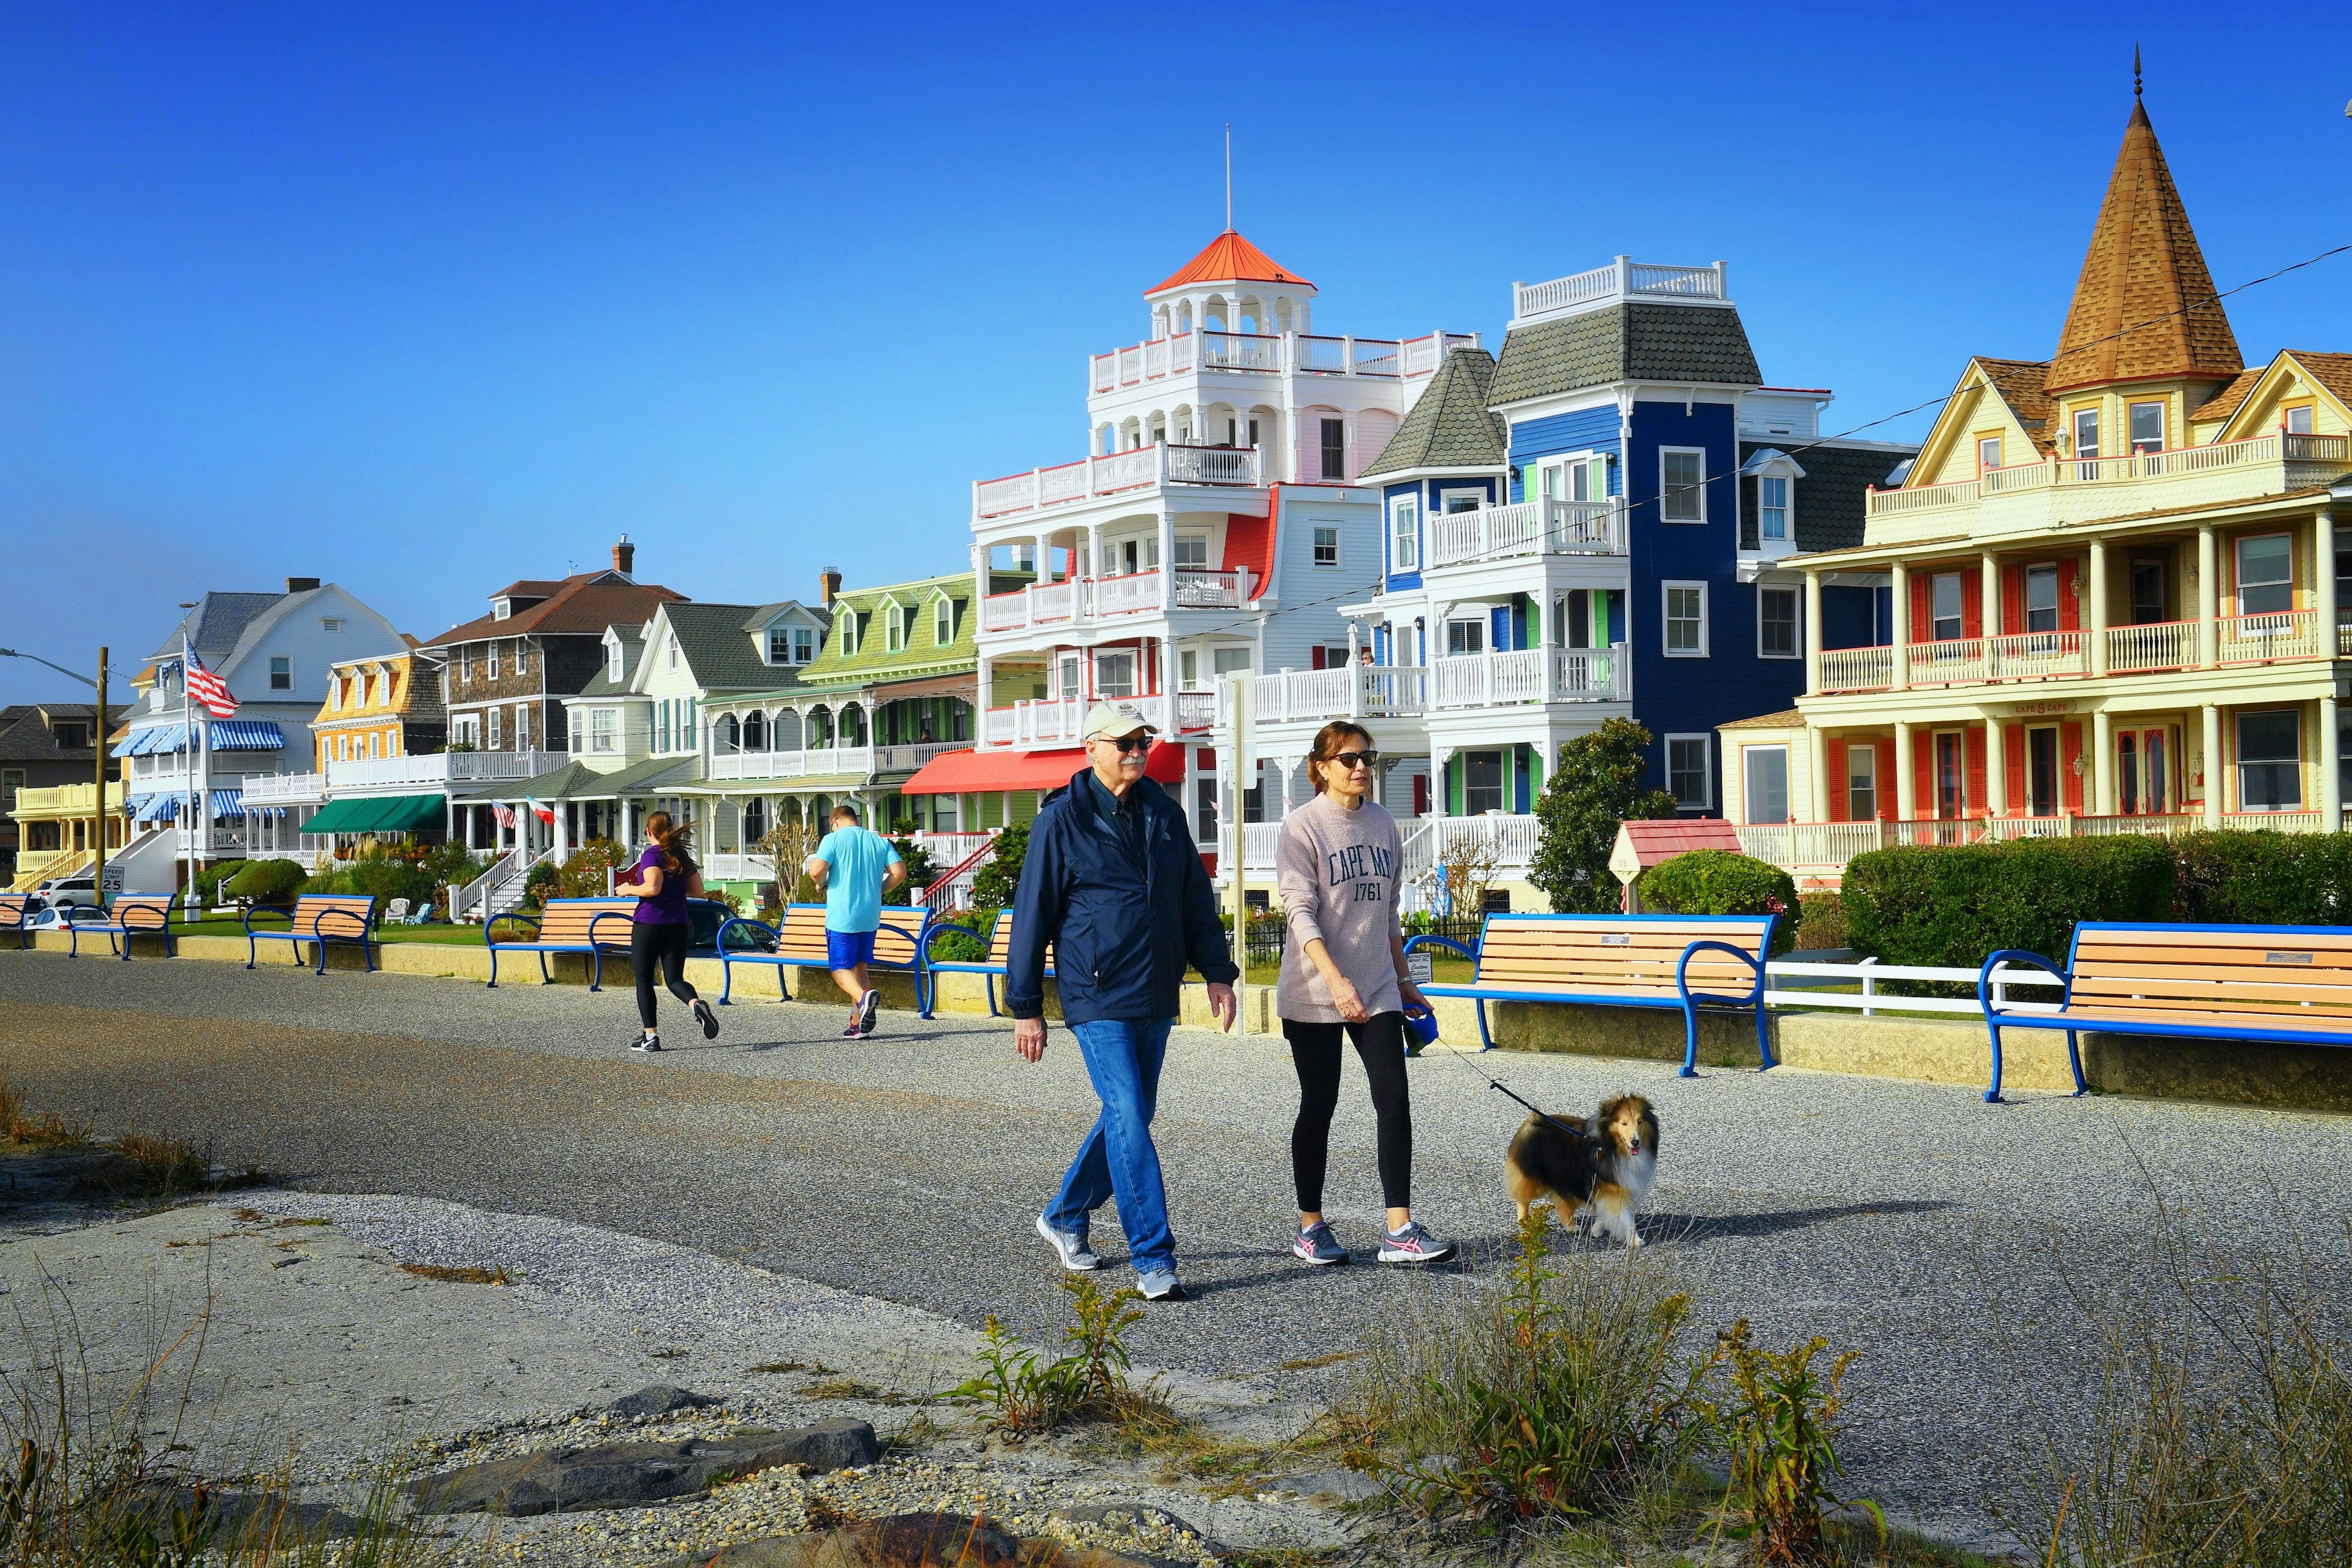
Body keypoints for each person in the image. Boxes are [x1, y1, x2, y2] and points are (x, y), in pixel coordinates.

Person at [1010, 701, 1237, 1303]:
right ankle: (1154, 1259)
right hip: (1096, 991)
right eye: (1125, 742)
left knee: (1128, 1114)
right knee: (1131, 1114)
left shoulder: (1164, 813)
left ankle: (1064, 1214)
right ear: (1092, 748)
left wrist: (1217, 971)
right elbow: (1033, 915)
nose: (1137, 751)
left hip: (1154, 991)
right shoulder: (1061, 821)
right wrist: (1027, 1006)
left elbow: (1195, 898)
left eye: (1143, 741)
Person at [1273, 721, 1454, 1266]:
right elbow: (1299, 913)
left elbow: (1390, 915)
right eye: (1348, 758)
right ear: (1321, 767)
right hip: (1314, 990)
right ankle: (1311, 1226)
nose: (1360, 768)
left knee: (1394, 1098)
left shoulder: (1382, 825)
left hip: (1376, 987)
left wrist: (1404, 982)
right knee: (1320, 1103)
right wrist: (1334, 980)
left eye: (1367, 758)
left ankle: (1398, 1231)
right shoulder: (1301, 828)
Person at [614, 810, 719, 1054]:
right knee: (674, 979)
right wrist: (674, 894)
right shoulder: (680, 855)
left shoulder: (652, 854)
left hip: (649, 924)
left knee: (643, 979)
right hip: (678, 924)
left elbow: (652, 888)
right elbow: (698, 891)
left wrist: (628, 889)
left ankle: (651, 1037)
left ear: (649, 832)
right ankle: (695, 1005)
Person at [804, 802, 906, 1038]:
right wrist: (879, 889)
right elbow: (899, 873)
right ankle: (858, 1024)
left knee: (840, 969)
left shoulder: (833, 839)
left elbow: (815, 870)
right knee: (860, 966)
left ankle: (862, 1000)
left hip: (843, 916)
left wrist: (820, 882)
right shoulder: (879, 841)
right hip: (870, 915)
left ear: (834, 822)